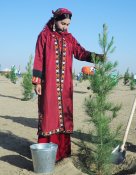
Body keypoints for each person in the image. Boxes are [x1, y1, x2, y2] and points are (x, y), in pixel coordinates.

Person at [32, 8, 104, 162]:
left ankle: (62, 153)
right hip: (49, 85)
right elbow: (38, 58)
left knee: (65, 115)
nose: (66, 27)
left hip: (65, 87)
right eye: (63, 23)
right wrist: (37, 81)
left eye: (68, 24)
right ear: (55, 20)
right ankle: (48, 154)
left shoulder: (69, 38)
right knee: (49, 115)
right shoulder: (44, 36)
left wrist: (98, 57)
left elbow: (81, 52)